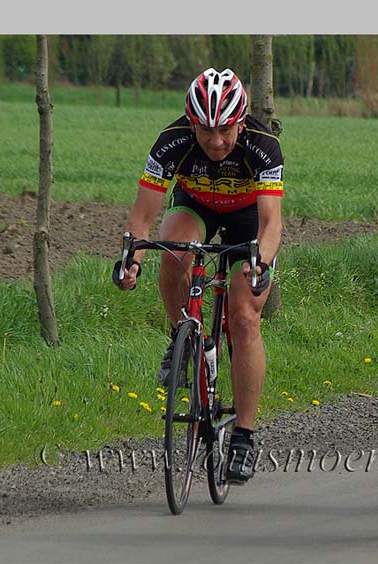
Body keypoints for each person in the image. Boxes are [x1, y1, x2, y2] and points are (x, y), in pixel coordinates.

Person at [114, 67, 284, 485]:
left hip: (248, 219)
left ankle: (244, 435)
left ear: (240, 122)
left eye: (225, 129)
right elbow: (142, 217)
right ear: (192, 123)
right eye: (205, 130)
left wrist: (259, 261)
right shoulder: (171, 142)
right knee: (172, 250)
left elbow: (271, 224)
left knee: (244, 319)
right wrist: (130, 257)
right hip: (196, 207)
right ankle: (183, 338)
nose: (216, 141)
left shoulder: (263, 146)